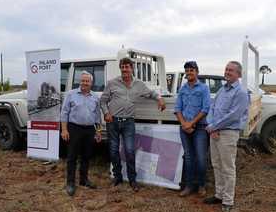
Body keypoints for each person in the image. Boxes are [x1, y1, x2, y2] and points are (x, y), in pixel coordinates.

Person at [100, 57, 166, 192]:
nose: (125, 69)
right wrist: (106, 113)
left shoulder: (139, 84)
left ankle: (132, 180)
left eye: (127, 67)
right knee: (113, 151)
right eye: (122, 67)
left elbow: (151, 93)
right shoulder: (112, 83)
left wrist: (159, 99)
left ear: (132, 69)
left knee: (130, 151)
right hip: (113, 121)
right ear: (120, 68)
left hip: (129, 122)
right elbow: (103, 101)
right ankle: (117, 177)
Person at [204, 61, 248, 212]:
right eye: (226, 69)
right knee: (216, 164)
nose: (227, 72)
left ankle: (228, 201)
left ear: (238, 74)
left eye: (231, 70)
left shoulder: (241, 92)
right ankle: (219, 195)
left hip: (228, 133)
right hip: (214, 132)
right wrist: (211, 126)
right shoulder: (222, 90)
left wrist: (214, 127)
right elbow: (212, 108)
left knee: (228, 167)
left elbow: (234, 115)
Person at [61, 71, 102, 196]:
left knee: (86, 156)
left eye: (87, 81)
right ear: (80, 81)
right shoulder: (71, 94)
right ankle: (70, 183)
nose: (85, 83)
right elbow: (64, 112)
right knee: (72, 157)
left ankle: (84, 180)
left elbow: (97, 116)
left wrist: (98, 131)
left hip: (89, 130)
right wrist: (64, 129)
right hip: (74, 128)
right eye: (83, 80)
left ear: (91, 83)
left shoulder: (95, 97)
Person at [174, 61, 211, 197]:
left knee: (201, 158)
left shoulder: (203, 88)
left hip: (200, 127)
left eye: (191, 70)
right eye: (187, 70)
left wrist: (192, 123)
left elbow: (205, 109)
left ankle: (201, 185)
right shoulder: (182, 89)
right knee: (189, 158)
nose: (189, 72)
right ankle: (189, 186)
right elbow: (177, 108)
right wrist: (184, 123)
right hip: (184, 128)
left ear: (197, 72)